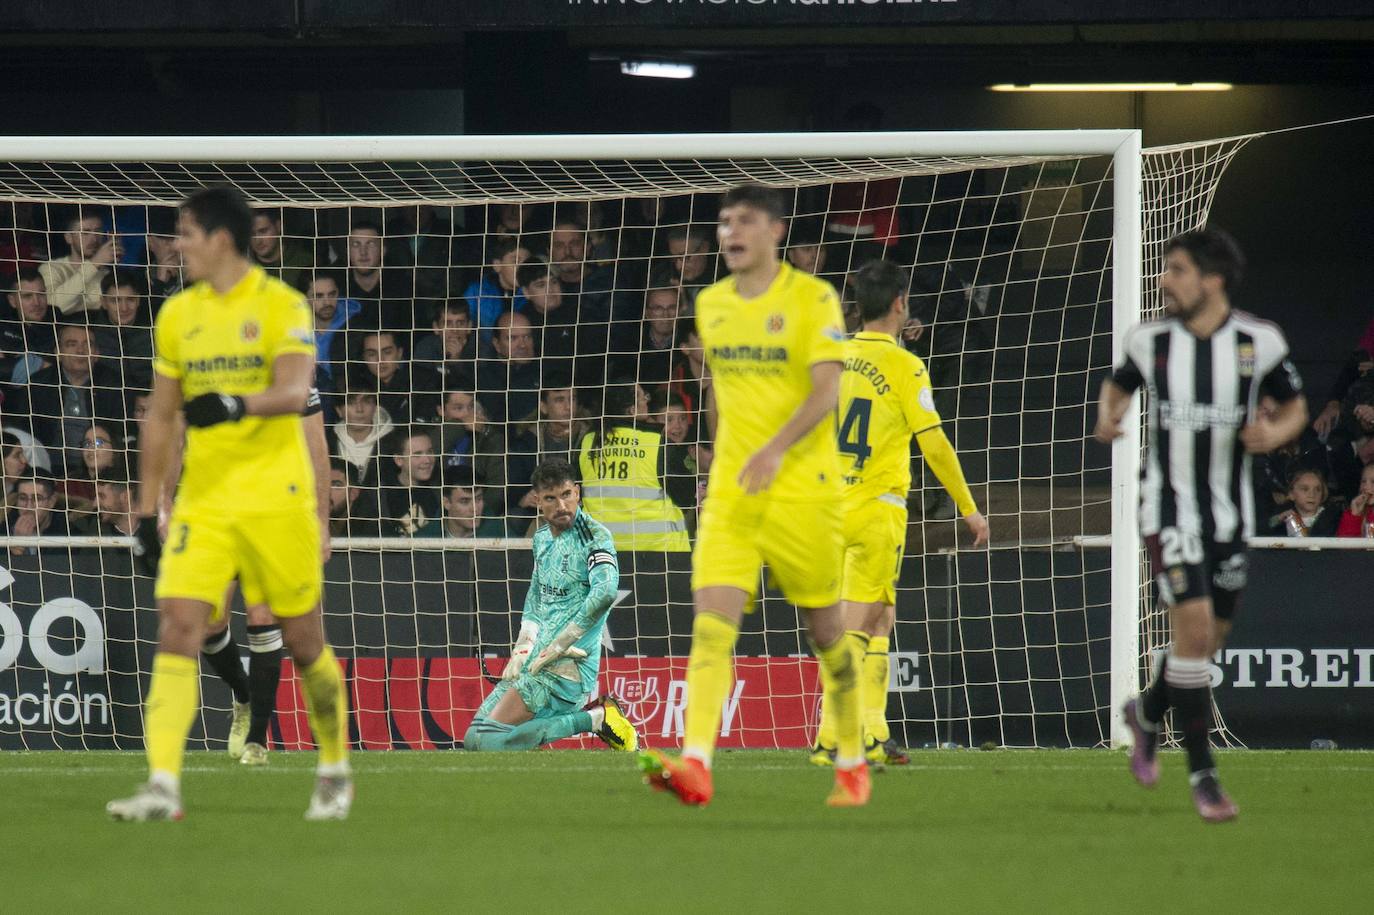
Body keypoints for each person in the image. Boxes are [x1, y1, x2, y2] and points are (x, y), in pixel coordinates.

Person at [107, 185, 350, 822]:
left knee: (302, 643)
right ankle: (162, 785)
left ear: (218, 238)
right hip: (205, 503)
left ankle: (332, 767)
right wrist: (144, 510)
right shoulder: (177, 314)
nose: (176, 246)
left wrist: (238, 403)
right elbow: (161, 418)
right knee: (180, 626)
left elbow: (296, 388)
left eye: (185, 234)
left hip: (277, 498)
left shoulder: (281, 304)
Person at [638, 184, 869, 809]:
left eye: (742, 221)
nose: (729, 232)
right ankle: (696, 764)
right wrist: (719, 459)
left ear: (774, 230)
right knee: (711, 631)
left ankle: (851, 759)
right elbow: (720, 390)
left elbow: (826, 392)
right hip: (737, 495)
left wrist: (773, 449)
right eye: (722, 222)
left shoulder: (811, 298)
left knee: (826, 633)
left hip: (804, 495)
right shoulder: (710, 303)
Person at [1096, 228, 1307, 823]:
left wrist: (1277, 433)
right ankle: (1204, 776)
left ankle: (1146, 711)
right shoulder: (1149, 341)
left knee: (1206, 644)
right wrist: (1109, 417)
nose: (1164, 279)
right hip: (1168, 510)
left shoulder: (1257, 343)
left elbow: (1294, 405)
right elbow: (1118, 386)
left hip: (1230, 514)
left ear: (1212, 280)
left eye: (1177, 269)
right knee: (1191, 638)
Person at [811, 261, 989, 768]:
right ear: (899, 304)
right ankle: (834, 734)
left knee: (881, 616)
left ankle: (875, 729)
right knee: (855, 624)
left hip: (828, 508)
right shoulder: (906, 366)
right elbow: (933, 443)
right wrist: (970, 509)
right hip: (875, 510)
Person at [193, 386, 333, 768]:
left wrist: (321, 521)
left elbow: (316, 447)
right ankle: (244, 693)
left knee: (264, 615)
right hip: (220, 508)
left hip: (277, 511)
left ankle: (256, 737)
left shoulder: (292, 371)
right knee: (208, 620)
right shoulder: (214, 362)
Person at [463, 459, 637, 752]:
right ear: (537, 501)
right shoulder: (542, 538)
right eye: (551, 498)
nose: (562, 506)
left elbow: (605, 592)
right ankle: (591, 720)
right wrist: (523, 646)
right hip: (535, 661)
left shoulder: (594, 538)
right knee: (474, 741)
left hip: (569, 667)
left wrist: (561, 644)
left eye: (567, 494)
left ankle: (594, 719)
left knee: (490, 744)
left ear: (578, 493)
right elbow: (536, 594)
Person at [578, 380, 690, 553]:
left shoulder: (588, 441)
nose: (647, 399)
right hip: (659, 552)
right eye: (642, 396)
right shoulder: (657, 443)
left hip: (601, 552)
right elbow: (686, 496)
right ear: (632, 410)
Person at [20, 323, 126, 469]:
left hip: (99, 468)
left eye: (87, 344)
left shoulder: (114, 385)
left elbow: (119, 435)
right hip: (46, 467)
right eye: (72, 344)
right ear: (58, 352)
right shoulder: (39, 383)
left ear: (96, 353)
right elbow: (26, 433)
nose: (80, 351)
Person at [39, 206, 121, 314]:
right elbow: (52, 306)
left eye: (98, 231)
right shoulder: (51, 268)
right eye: (85, 233)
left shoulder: (107, 273)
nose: (94, 238)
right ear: (69, 238)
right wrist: (93, 264)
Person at [91, 270, 155, 392]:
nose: (124, 308)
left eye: (130, 299)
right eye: (115, 301)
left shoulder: (154, 332)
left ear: (138, 301)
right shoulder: (91, 334)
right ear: (103, 303)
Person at [475, 311, 541, 423]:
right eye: (513, 338)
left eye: (527, 336)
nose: (523, 345)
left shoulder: (545, 369)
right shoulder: (482, 379)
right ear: (497, 344)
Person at [301, 269, 360, 387]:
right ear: (304, 298)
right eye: (318, 296)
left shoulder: (357, 325)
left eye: (332, 294)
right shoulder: (293, 330)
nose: (327, 302)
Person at [416, 463, 506, 539]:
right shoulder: (424, 538)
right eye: (464, 501)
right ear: (446, 503)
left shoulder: (501, 534)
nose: (474, 509)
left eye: (478, 499)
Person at [379, 426, 441, 535]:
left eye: (430, 451)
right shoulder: (381, 495)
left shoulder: (441, 487)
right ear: (399, 460)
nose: (427, 460)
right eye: (417, 454)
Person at [0, 266, 57, 383]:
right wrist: (40, 364)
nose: (36, 303)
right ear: (12, 301)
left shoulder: (60, 322)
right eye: (27, 296)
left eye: (41, 294)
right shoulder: (3, 326)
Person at [4, 471, 68, 555]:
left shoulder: (67, 532)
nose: (29, 507)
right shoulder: (4, 529)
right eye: (23, 498)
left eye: (37, 499)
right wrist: (12, 552)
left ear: (51, 501)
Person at [248, 209, 312, 290]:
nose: (258, 241)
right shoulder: (243, 266)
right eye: (251, 234)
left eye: (263, 231)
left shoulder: (305, 262)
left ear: (279, 226)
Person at [1268, 468, 1339, 537]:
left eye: (1317, 489)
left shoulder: (1334, 518)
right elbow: (1265, 528)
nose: (1312, 495)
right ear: (1291, 494)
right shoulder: (1283, 517)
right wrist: (1279, 518)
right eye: (1305, 489)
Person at [1336, 462, 1374, 537]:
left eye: (1373, 482)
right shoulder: (1355, 513)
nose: (1366, 487)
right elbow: (1345, 545)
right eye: (1363, 481)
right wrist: (1354, 515)